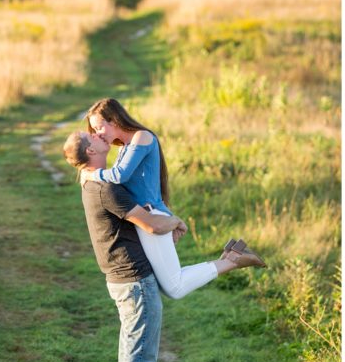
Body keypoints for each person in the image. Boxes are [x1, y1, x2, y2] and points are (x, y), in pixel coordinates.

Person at [62, 129, 261, 362]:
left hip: (122, 278)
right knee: (141, 354)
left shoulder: (91, 182)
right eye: (93, 137)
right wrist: (176, 222)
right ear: (91, 152)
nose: (99, 135)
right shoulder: (106, 187)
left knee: (132, 350)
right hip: (134, 280)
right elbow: (152, 224)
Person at [82, 97, 265, 298]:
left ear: (114, 120)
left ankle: (233, 260)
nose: (98, 134)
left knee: (175, 287)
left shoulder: (141, 137)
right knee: (170, 283)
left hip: (152, 214)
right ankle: (232, 257)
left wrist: (91, 174)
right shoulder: (125, 146)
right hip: (147, 216)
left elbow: (119, 175)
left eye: (99, 128)